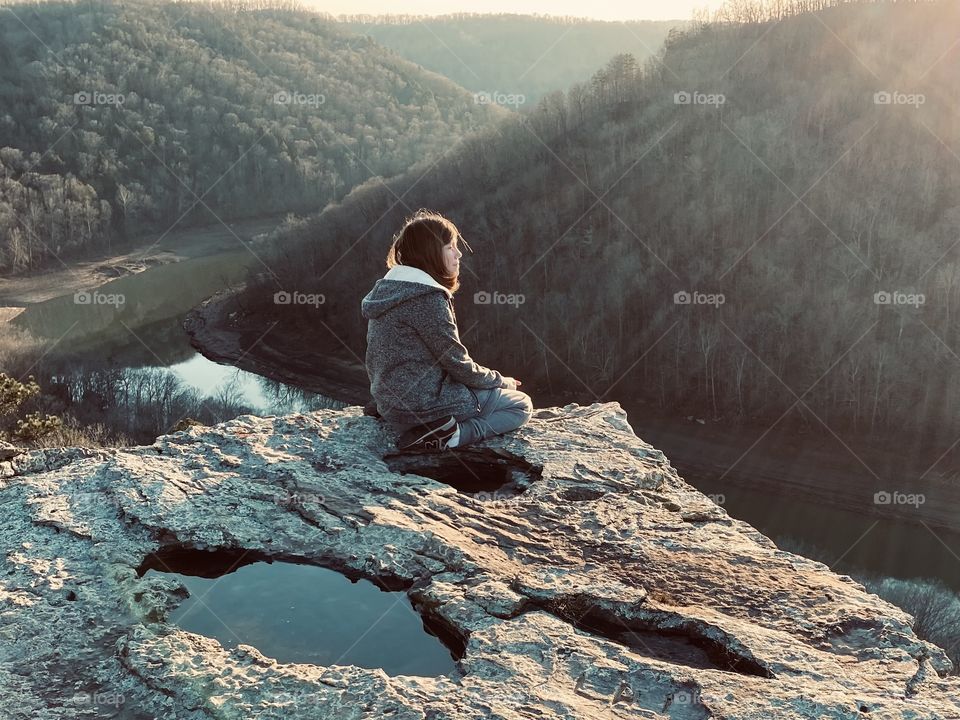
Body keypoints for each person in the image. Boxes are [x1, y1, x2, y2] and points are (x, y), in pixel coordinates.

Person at [361, 209, 533, 452]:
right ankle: (453, 435)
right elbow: (457, 364)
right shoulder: (426, 298)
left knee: (484, 392)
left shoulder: (388, 291)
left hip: (390, 404)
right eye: (450, 246)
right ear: (431, 253)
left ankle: (432, 426)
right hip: (423, 406)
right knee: (521, 405)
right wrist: (501, 381)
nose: (459, 253)